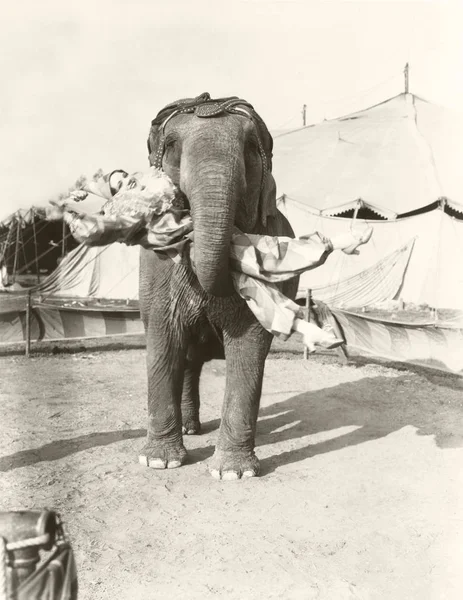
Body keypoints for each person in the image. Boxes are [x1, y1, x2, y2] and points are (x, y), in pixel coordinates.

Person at [48, 168, 373, 352]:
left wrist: (73, 190)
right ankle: (334, 248)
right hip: (194, 244)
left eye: (122, 176)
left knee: (253, 280)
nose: (122, 178)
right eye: (117, 183)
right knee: (263, 258)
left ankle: (305, 326)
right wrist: (65, 205)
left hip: (205, 233)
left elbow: (96, 180)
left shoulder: (140, 186)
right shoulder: (123, 212)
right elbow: (91, 229)